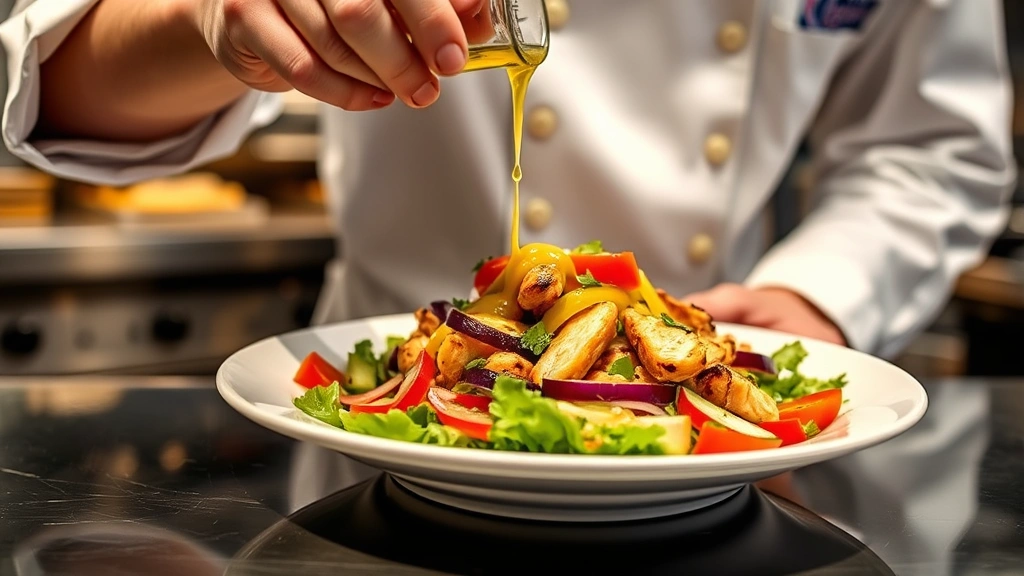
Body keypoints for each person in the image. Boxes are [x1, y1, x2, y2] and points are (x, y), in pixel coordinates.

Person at [0, 0, 1015, 359]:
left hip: (706, 439)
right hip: (394, 436)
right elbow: (55, 82)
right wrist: (212, 24)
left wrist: (813, 296)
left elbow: (929, 144)